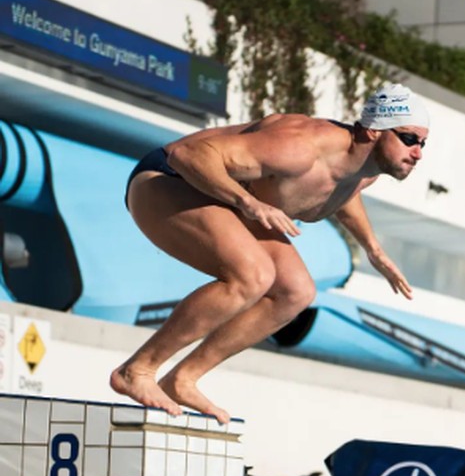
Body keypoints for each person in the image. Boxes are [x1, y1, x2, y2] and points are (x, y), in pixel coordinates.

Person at [110, 82, 429, 424]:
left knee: (295, 292)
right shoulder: (299, 147)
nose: (418, 153)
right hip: (167, 178)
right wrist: (247, 202)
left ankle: (183, 379)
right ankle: (137, 370)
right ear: (372, 131)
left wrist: (374, 250)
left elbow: (344, 192)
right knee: (253, 275)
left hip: (220, 197)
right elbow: (188, 156)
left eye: (423, 143)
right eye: (409, 139)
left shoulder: (363, 172)